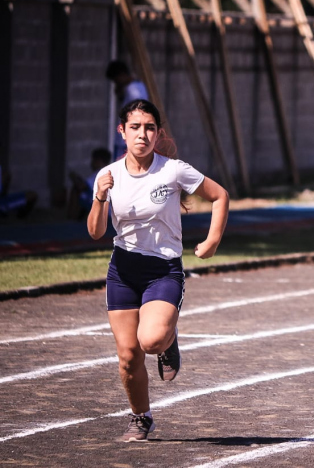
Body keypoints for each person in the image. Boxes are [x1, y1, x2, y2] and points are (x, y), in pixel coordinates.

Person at [87, 99, 229, 441]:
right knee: (127, 357)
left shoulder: (173, 170)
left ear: (158, 133)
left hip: (163, 270)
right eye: (135, 127)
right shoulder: (108, 175)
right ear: (121, 131)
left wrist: (211, 241)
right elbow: (95, 232)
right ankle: (141, 418)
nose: (142, 134)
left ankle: (168, 339)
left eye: (149, 127)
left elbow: (220, 195)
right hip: (122, 270)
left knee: (149, 340)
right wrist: (99, 198)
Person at [105, 61, 149, 160]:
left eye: (116, 80)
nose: (116, 83)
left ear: (121, 75)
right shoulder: (139, 86)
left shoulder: (132, 91)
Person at [67, 147, 111, 220]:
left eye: (93, 160)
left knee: (77, 191)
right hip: (108, 209)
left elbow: (82, 187)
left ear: (98, 161)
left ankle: (72, 219)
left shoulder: (100, 173)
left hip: (103, 210)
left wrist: (74, 178)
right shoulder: (110, 172)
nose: (91, 163)